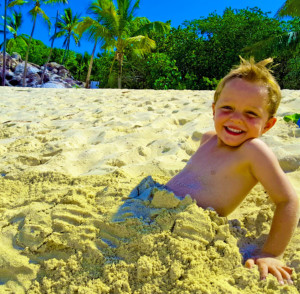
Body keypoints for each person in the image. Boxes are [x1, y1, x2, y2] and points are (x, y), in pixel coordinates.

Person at [165, 57, 299, 285]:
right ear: (214, 110)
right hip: (152, 210)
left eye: (251, 114)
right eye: (227, 108)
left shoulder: (253, 150)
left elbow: (288, 200)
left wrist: (271, 253)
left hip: (183, 232)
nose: (236, 119)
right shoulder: (208, 139)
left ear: (267, 125)